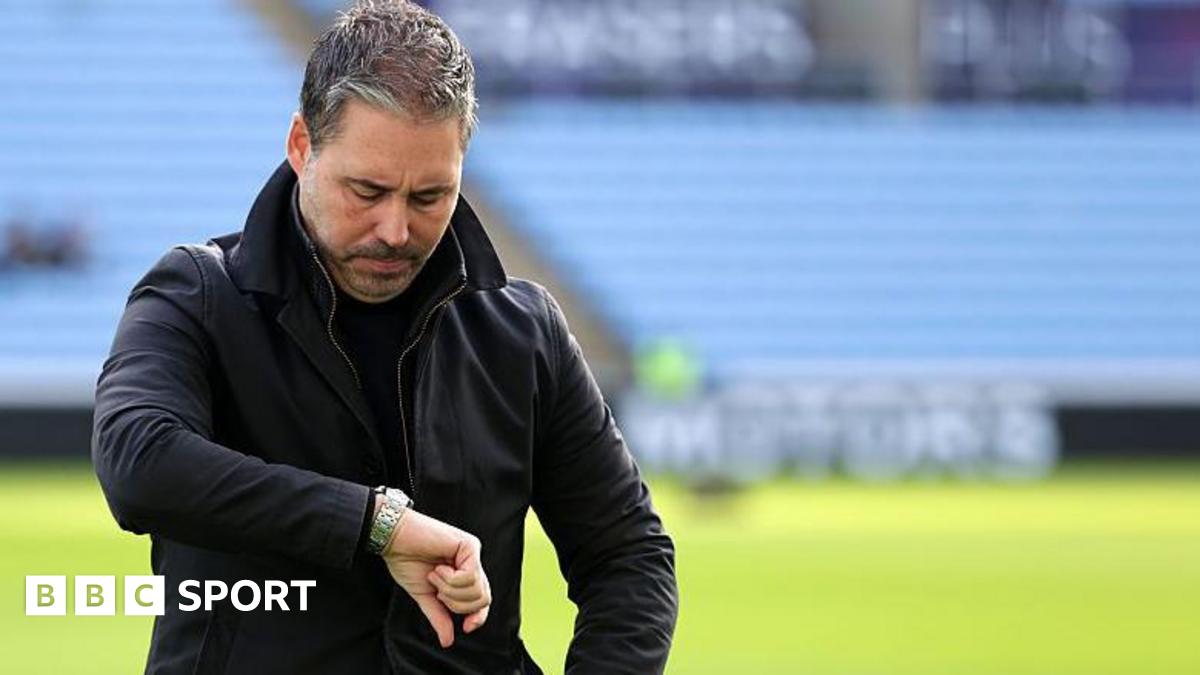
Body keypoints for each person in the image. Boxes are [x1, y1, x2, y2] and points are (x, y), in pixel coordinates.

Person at [90, 1, 678, 673]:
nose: (396, 230)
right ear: (301, 145)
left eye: (430, 196)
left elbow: (629, 556)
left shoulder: (524, 331)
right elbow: (139, 464)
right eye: (367, 190)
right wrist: (375, 523)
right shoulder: (196, 296)